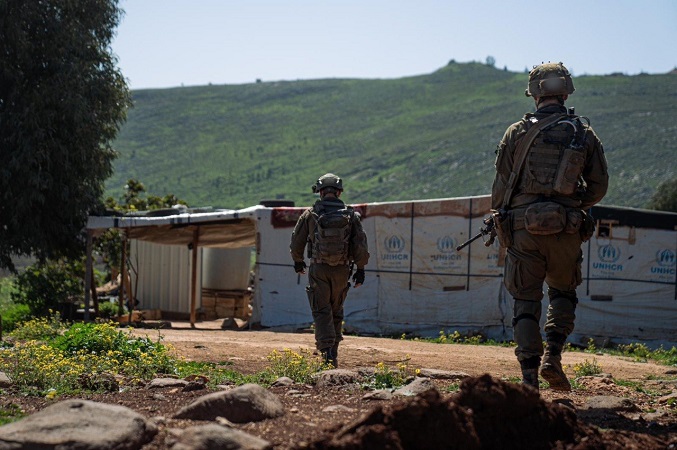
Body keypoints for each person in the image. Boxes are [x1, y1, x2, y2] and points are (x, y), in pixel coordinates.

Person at [491, 62, 609, 391]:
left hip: (523, 230)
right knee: (562, 293)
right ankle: (553, 355)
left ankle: (529, 379)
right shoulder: (583, 133)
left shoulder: (515, 132)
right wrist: (571, 205)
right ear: (566, 93)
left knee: (525, 300)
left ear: (534, 95)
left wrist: (505, 216)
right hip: (566, 229)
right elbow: (599, 187)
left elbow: (500, 188)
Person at [290, 173, 370, 367]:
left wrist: (298, 261)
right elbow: (360, 245)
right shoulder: (350, 215)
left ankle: (327, 354)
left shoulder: (310, 214)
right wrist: (360, 269)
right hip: (342, 270)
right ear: (339, 192)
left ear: (320, 192)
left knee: (321, 309)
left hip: (319, 269)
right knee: (336, 309)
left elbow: (296, 241)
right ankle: (333, 350)